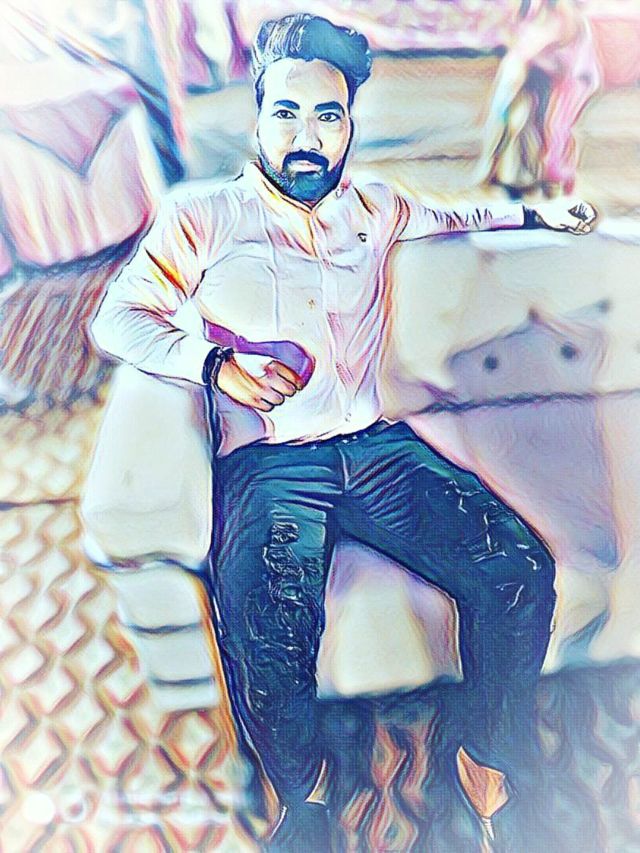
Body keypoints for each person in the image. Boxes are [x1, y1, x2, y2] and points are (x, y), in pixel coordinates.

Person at [91, 13, 597, 850]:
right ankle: (308, 796)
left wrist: (548, 218)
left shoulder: (376, 206)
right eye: (286, 113)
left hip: (374, 448)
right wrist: (214, 365)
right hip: (271, 462)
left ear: (349, 124)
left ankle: (484, 757)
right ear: (259, 116)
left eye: (327, 115)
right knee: (266, 619)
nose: (307, 136)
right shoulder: (204, 215)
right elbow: (118, 317)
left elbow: (462, 215)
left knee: (518, 568)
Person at [474, 0, 600, 198]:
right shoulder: (536, 13)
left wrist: (530, 55)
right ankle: (516, 175)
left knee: (548, 127)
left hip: (564, 78)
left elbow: (557, 51)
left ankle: (547, 177)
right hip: (534, 75)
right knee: (523, 123)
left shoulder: (562, 15)